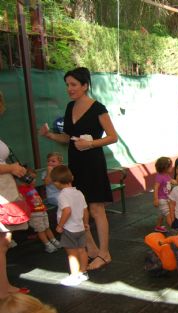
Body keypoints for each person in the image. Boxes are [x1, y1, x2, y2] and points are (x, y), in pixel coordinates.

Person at [39, 67, 117, 271]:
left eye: (73, 85)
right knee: (80, 208)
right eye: (67, 85)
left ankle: (105, 253)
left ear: (85, 85)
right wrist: (49, 135)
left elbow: (112, 136)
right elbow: (67, 138)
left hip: (92, 162)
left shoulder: (98, 108)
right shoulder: (69, 107)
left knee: (96, 209)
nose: (69, 89)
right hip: (76, 162)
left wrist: (90, 144)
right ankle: (91, 248)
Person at [0, 90, 29, 297]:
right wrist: (11, 169)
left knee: (4, 240)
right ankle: (3, 289)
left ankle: (4, 287)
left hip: (5, 188)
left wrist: (12, 169)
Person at [51, 165, 90, 287]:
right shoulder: (79, 193)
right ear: (71, 178)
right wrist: (85, 223)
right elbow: (85, 210)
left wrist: (60, 225)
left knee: (72, 254)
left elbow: (67, 211)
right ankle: (83, 272)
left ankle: (74, 276)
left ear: (57, 183)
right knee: (82, 251)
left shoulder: (62, 195)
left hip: (69, 229)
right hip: (80, 228)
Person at [17, 169, 61, 253]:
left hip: (41, 210)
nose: (35, 181)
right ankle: (47, 244)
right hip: (34, 214)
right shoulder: (22, 189)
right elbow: (22, 201)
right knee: (40, 230)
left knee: (47, 227)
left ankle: (53, 241)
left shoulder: (31, 188)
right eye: (33, 178)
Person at [153, 156, 173, 233]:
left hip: (166, 197)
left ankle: (158, 227)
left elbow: (170, 181)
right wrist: (156, 199)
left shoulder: (166, 175)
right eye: (170, 166)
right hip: (162, 199)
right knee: (168, 213)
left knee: (161, 214)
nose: (172, 167)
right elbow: (156, 187)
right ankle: (174, 228)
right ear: (165, 168)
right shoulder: (160, 176)